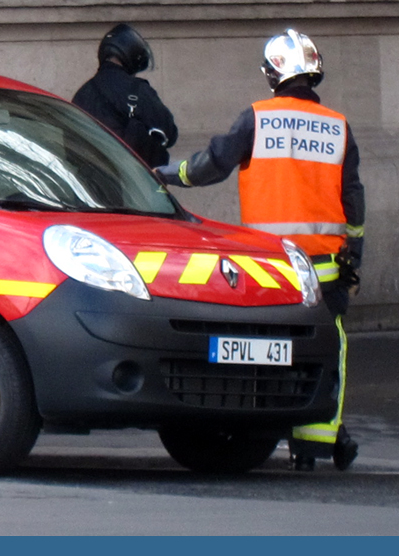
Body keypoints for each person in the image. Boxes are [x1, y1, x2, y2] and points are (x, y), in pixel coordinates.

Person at [157, 29, 364, 472]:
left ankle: (265, 425)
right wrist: (356, 257)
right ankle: (316, 443)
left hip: (274, 268)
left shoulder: (257, 119)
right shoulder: (338, 127)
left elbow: (211, 166)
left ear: (274, 73)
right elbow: (354, 203)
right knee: (330, 347)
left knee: (267, 349)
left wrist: (167, 175)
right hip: (327, 269)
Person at [72, 23, 178, 167]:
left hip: (90, 183)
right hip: (133, 182)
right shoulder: (137, 90)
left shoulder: (81, 95)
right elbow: (169, 132)